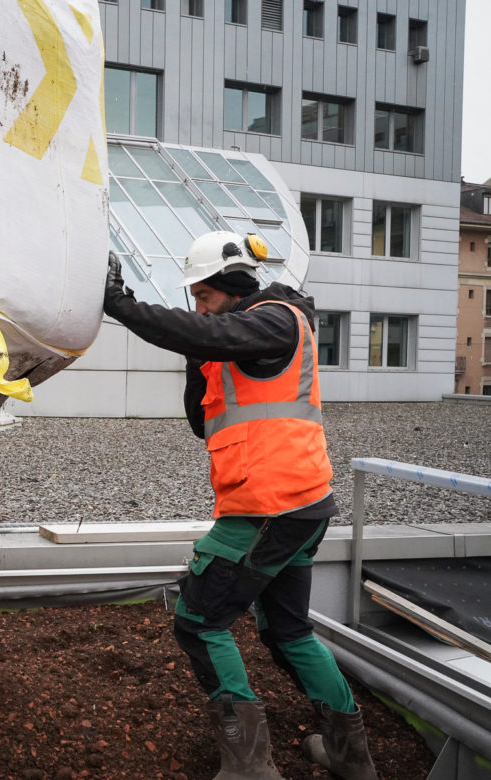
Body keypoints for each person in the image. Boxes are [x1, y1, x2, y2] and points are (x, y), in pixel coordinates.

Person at [103, 232, 378, 780]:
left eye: (203, 298)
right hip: (297, 507)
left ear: (230, 286)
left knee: (199, 621)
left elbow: (212, 332)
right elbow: (201, 423)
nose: (198, 309)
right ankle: (351, 758)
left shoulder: (277, 320)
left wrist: (120, 304)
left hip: (267, 509)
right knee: (287, 631)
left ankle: (250, 768)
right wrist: (197, 350)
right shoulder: (239, 339)